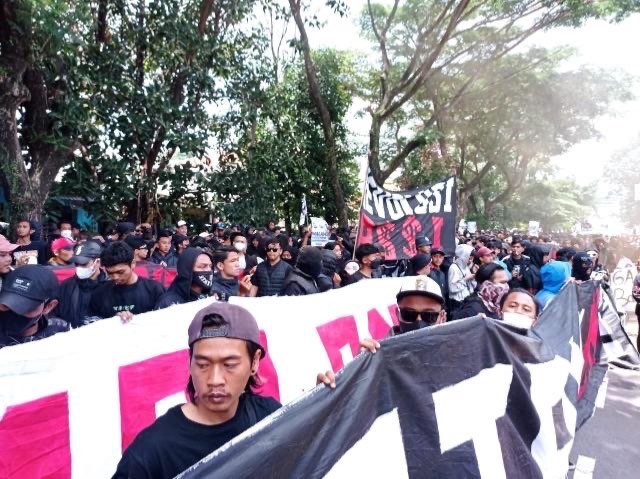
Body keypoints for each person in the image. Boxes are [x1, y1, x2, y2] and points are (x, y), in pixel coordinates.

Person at [112, 302, 281, 479]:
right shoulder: (151, 452)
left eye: (229, 365)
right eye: (203, 365)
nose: (215, 380)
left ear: (254, 362)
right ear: (190, 362)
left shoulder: (269, 417)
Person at [317, 275, 446, 388]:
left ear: (442, 317)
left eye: (429, 316)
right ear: (397, 314)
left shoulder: (457, 354)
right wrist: (356, 373)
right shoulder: (375, 356)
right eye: (409, 314)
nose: (418, 321)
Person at [89, 242, 165, 321]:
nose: (115, 277)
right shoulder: (100, 293)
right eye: (110, 273)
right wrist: (113, 321)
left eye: (120, 272)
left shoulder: (154, 290)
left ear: (133, 264)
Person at [0, 265, 69, 347]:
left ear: (49, 306)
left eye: (26, 307)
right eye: (7, 304)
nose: (15, 311)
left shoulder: (60, 333)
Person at [55, 240, 108, 328]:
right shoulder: (66, 286)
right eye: (76, 264)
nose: (79, 267)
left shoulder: (110, 286)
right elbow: (57, 314)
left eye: (83, 264)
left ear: (98, 262)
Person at [448, 244, 475, 312]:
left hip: (466, 299)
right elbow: (453, 288)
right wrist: (466, 279)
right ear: (463, 256)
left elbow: (472, 285)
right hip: (457, 302)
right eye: (469, 258)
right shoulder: (454, 268)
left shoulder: (465, 267)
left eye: (472, 259)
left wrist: (473, 278)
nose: (470, 261)